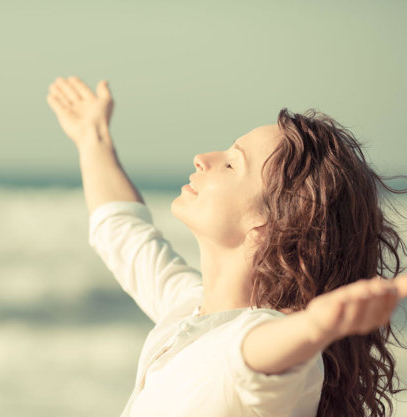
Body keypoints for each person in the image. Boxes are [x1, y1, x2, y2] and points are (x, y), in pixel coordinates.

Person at [46, 75, 407, 417]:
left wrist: (316, 326)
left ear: (267, 225)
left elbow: (259, 352)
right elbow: (123, 231)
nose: (203, 158)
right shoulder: (188, 308)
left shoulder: (270, 345)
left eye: (233, 163)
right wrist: (91, 136)